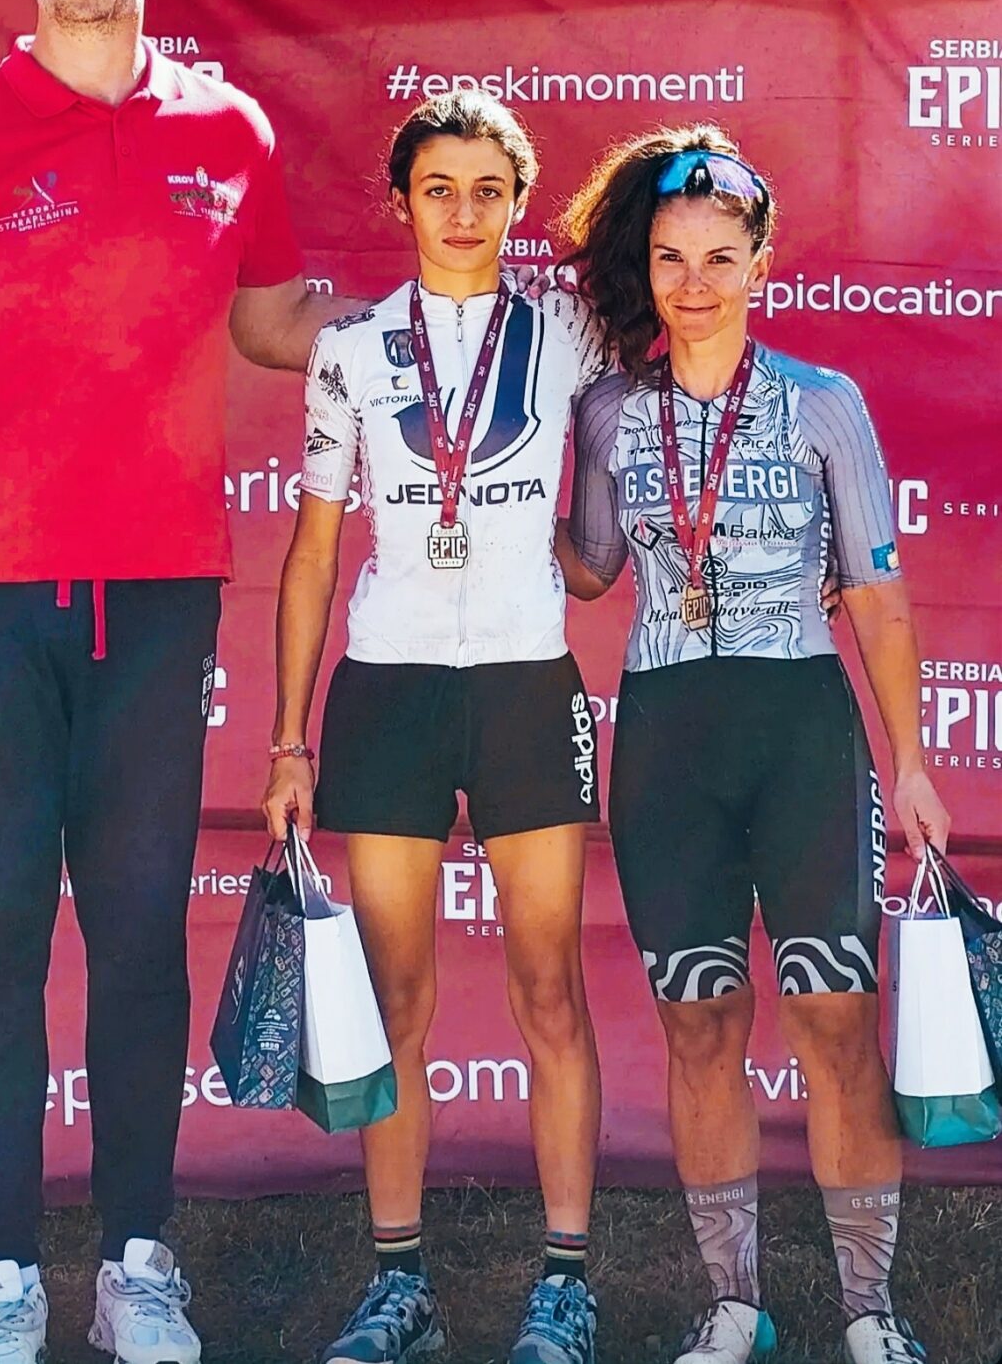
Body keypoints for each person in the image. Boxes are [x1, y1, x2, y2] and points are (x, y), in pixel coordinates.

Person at [0, 0, 361, 1364]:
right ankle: (0, 1270)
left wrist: (421, 322)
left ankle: (135, 1256)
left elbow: (270, 317)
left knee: (135, 937)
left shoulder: (226, 128)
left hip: (160, 594)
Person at [556, 125, 950, 1364]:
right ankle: (735, 1303)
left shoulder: (827, 403)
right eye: (671, 258)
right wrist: (501, 504)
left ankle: (871, 1311)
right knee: (701, 1024)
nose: (694, 283)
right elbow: (592, 567)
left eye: (720, 257)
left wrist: (912, 761)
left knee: (835, 1018)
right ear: (646, 267)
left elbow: (876, 593)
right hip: (668, 737)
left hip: (800, 730)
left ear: (760, 264)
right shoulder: (607, 410)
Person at [263, 90, 609, 1364]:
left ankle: (565, 1280)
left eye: (488, 190)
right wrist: (288, 737)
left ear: (519, 204)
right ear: (402, 201)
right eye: (439, 189)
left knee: (548, 987)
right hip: (391, 686)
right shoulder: (351, 349)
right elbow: (313, 550)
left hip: (523, 683)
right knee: (397, 994)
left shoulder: (571, 329)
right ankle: (398, 1278)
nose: (464, 212)